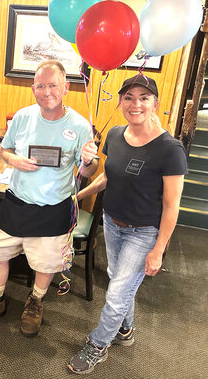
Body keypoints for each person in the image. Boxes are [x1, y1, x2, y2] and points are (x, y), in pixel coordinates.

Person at [0, 60, 99, 336]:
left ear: (65, 88)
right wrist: (13, 159)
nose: (47, 91)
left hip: (54, 207)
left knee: (46, 263)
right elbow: (3, 150)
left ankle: (35, 301)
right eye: (41, 85)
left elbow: (88, 170)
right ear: (33, 89)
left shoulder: (79, 125)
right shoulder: (23, 117)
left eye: (53, 85)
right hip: (17, 201)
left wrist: (89, 160)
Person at [68, 74, 187, 374]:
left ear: (155, 104)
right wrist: (78, 196)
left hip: (144, 232)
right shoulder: (116, 135)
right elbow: (109, 177)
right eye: (129, 98)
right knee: (118, 280)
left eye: (144, 98)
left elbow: (172, 205)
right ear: (121, 102)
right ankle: (125, 330)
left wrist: (159, 249)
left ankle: (98, 344)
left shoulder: (169, 149)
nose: (136, 104)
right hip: (112, 223)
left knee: (118, 291)